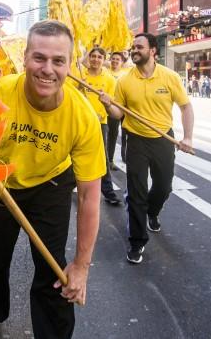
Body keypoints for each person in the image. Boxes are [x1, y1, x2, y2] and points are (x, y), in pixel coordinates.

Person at [0, 20, 104, 339]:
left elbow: (90, 196)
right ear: (25, 59)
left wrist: (82, 267)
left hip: (50, 185)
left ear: (70, 65)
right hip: (1, 186)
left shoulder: (83, 116)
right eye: (39, 58)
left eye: (58, 61)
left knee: (53, 271)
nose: (47, 69)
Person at [100, 33, 194, 264]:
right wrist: (108, 105)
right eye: (133, 47)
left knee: (164, 186)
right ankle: (137, 241)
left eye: (139, 47)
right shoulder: (124, 81)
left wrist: (188, 137)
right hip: (136, 140)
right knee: (136, 192)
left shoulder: (169, 77)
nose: (134, 50)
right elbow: (119, 114)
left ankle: (152, 212)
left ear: (153, 50)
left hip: (163, 138)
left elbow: (185, 107)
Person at [72, 47, 120, 205]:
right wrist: (79, 87)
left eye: (99, 57)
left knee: (102, 158)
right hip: (80, 121)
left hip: (100, 123)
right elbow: (70, 96)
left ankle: (109, 193)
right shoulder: (79, 76)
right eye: (93, 56)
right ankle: (69, 188)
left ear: (103, 60)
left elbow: (111, 103)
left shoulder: (110, 80)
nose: (95, 59)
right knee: (73, 156)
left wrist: (104, 108)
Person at [107, 51, 131, 167]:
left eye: (118, 59)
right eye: (113, 58)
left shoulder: (126, 73)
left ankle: (125, 156)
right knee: (113, 134)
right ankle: (110, 160)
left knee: (126, 133)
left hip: (125, 107)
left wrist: (126, 53)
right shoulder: (105, 72)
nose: (115, 61)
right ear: (110, 60)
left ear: (122, 62)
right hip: (112, 108)